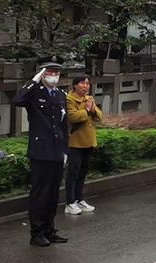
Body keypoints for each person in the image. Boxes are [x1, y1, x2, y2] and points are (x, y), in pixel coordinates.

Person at [15, 60, 70, 245]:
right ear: (43, 74)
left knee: (53, 193)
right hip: (40, 151)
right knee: (40, 193)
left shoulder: (60, 95)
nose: (54, 76)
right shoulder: (33, 93)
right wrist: (34, 80)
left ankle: (49, 229)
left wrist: (65, 150)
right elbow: (18, 99)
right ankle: (37, 233)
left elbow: (64, 125)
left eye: (57, 73)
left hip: (57, 150)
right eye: (50, 73)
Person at [64, 74, 101, 217]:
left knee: (82, 172)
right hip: (75, 141)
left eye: (87, 84)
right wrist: (86, 110)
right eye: (82, 83)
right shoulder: (69, 99)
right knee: (73, 172)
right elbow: (72, 117)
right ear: (74, 85)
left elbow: (99, 116)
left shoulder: (89, 98)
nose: (85, 86)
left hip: (88, 141)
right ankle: (70, 201)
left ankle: (80, 198)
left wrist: (91, 108)